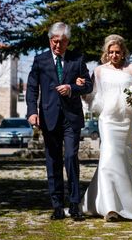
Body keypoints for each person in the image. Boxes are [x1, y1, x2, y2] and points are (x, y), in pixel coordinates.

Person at [79, 34, 132, 221]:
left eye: (117, 52)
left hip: (126, 121)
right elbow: (91, 95)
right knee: (108, 158)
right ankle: (109, 208)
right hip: (107, 120)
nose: (114, 55)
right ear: (106, 53)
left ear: (123, 52)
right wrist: (82, 94)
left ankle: (124, 202)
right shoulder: (99, 71)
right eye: (110, 52)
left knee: (123, 161)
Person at [26, 22, 93, 221]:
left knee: (71, 158)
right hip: (49, 117)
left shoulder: (77, 59)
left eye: (62, 42)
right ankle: (57, 205)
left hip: (71, 118)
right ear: (50, 41)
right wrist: (32, 112)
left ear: (68, 42)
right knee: (53, 160)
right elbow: (32, 88)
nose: (58, 46)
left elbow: (88, 85)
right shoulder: (40, 60)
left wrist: (72, 88)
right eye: (55, 42)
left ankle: (74, 204)